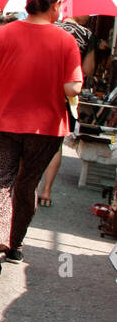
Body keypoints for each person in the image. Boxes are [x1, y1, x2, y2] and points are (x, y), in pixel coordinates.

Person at [0, 0, 83, 279]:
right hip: (47, 128)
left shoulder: (3, 35)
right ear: (55, 6)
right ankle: (14, 246)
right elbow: (73, 89)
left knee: (0, 183)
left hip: (3, 123)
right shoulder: (66, 41)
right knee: (26, 185)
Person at [35, 12, 98, 206]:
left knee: (33, 139)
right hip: (66, 96)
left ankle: (32, 188)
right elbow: (88, 70)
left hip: (40, 92)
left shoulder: (50, 28)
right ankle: (46, 191)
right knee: (55, 144)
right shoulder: (87, 35)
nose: (89, 16)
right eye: (88, 13)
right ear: (79, 13)